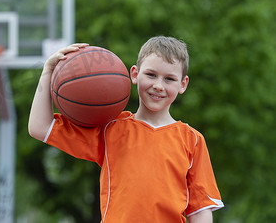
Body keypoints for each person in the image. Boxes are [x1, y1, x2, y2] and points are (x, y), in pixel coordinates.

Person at [28, 36, 224, 222]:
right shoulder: (110, 129)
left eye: (169, 79)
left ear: (183, 84)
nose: (158, 85)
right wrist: (47, 72)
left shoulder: (192, 140)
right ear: (135, 74)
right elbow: (39, 127)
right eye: (151, 74)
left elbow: (200, 210)